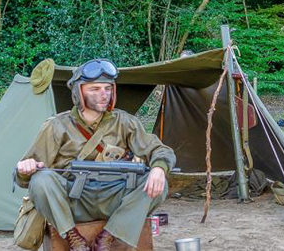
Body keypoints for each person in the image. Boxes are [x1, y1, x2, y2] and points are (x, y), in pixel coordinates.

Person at [15, 59, 176, 250]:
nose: (104, 95)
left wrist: (159, 168)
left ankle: (109, 237)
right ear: (79, 92)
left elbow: (161, 150)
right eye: (95, 89)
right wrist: (25, 169)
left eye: (108, 88)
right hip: (73, 203)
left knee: (159, 182)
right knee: (40, 180)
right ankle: (73, 238)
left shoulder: (125, 122)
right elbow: (24, 179)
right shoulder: (56, 126)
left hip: (114, 198)